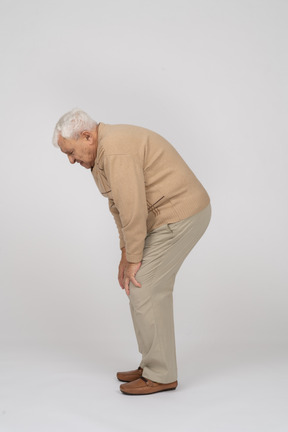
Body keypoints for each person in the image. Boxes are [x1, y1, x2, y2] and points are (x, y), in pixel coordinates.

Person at [52, 108, 212, 395]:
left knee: (144, 286)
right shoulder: (99, 156)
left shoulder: (115, 152)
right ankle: (152, 364)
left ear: (87, 136)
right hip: (165, 216)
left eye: (72, 152)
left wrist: (134, 259)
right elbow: (117, 207)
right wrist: (126, 253)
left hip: (181, 213)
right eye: (67, 154)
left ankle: (161, 374)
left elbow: (134, 210)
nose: (71, 160)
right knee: (141, 286)